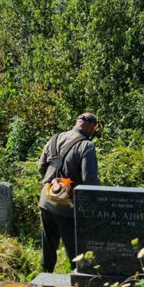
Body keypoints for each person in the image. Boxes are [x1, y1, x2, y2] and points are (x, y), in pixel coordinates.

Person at [38, 113, 101, 272]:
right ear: (91, 125)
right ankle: (80, 282)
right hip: (68, 205)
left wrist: (53, 184)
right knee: (75, 249)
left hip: (46, 199)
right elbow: (90, 180)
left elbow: (41, 167)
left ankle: (46, 278)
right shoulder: (87, 146)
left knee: (48, 244)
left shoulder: (55, 138)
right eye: (95, 127)